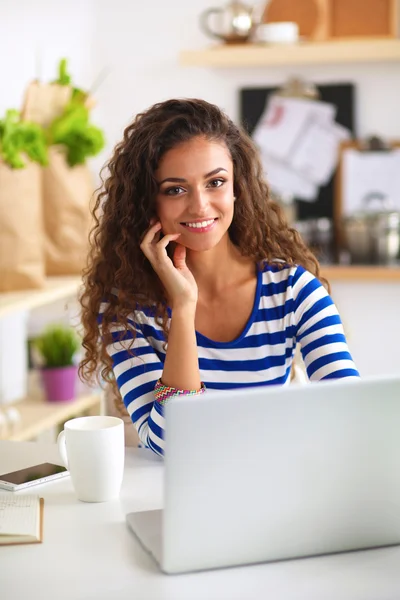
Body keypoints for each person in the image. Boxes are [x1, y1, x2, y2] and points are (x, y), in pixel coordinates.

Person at [79, 98, 359, 457]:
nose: (199, 205)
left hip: (275, 489)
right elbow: (170, 442)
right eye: (175, 189)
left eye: (215, 182)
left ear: (236, 187)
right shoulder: (127, 309)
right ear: (148, 202)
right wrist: (183, 308)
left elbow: (352, 415)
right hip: (177, 499)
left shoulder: (293, 291)